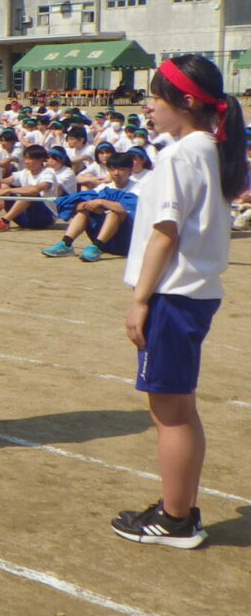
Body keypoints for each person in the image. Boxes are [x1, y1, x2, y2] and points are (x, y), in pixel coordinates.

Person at [111, 55, 245, 548]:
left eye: (156, 97)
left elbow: (163, 235)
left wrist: (139, 300)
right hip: (194, 294)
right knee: (179, 408)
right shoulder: (209, 149)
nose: (147, 106)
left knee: (170, 412)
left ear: (186, 102)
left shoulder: (181, 154)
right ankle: (179, 509)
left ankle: (175, 519)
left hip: (174, 295)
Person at [41, 151, 140, 262]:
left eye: (121, 169)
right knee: (84, 210)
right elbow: (76, 206)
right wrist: (88, 206)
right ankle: (66, 244)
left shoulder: (138, 188)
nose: (116, 173)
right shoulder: (103, 188)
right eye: (112, 169)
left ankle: (96, 247)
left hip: (126, 240)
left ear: (130, 171)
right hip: (105, 237)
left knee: (114, 213)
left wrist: (102, 203)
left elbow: (127, 209)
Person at [0, 144, 57, 232]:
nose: (27, 161)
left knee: (29, 193)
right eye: (25, 158)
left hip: (43, 218)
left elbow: (35, 190)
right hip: (25, 218)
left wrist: (7, 190)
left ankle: (4, 222)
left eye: (30, 159)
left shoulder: (48, 173)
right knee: (3, 186)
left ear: (41, 160)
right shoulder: (24, 172)